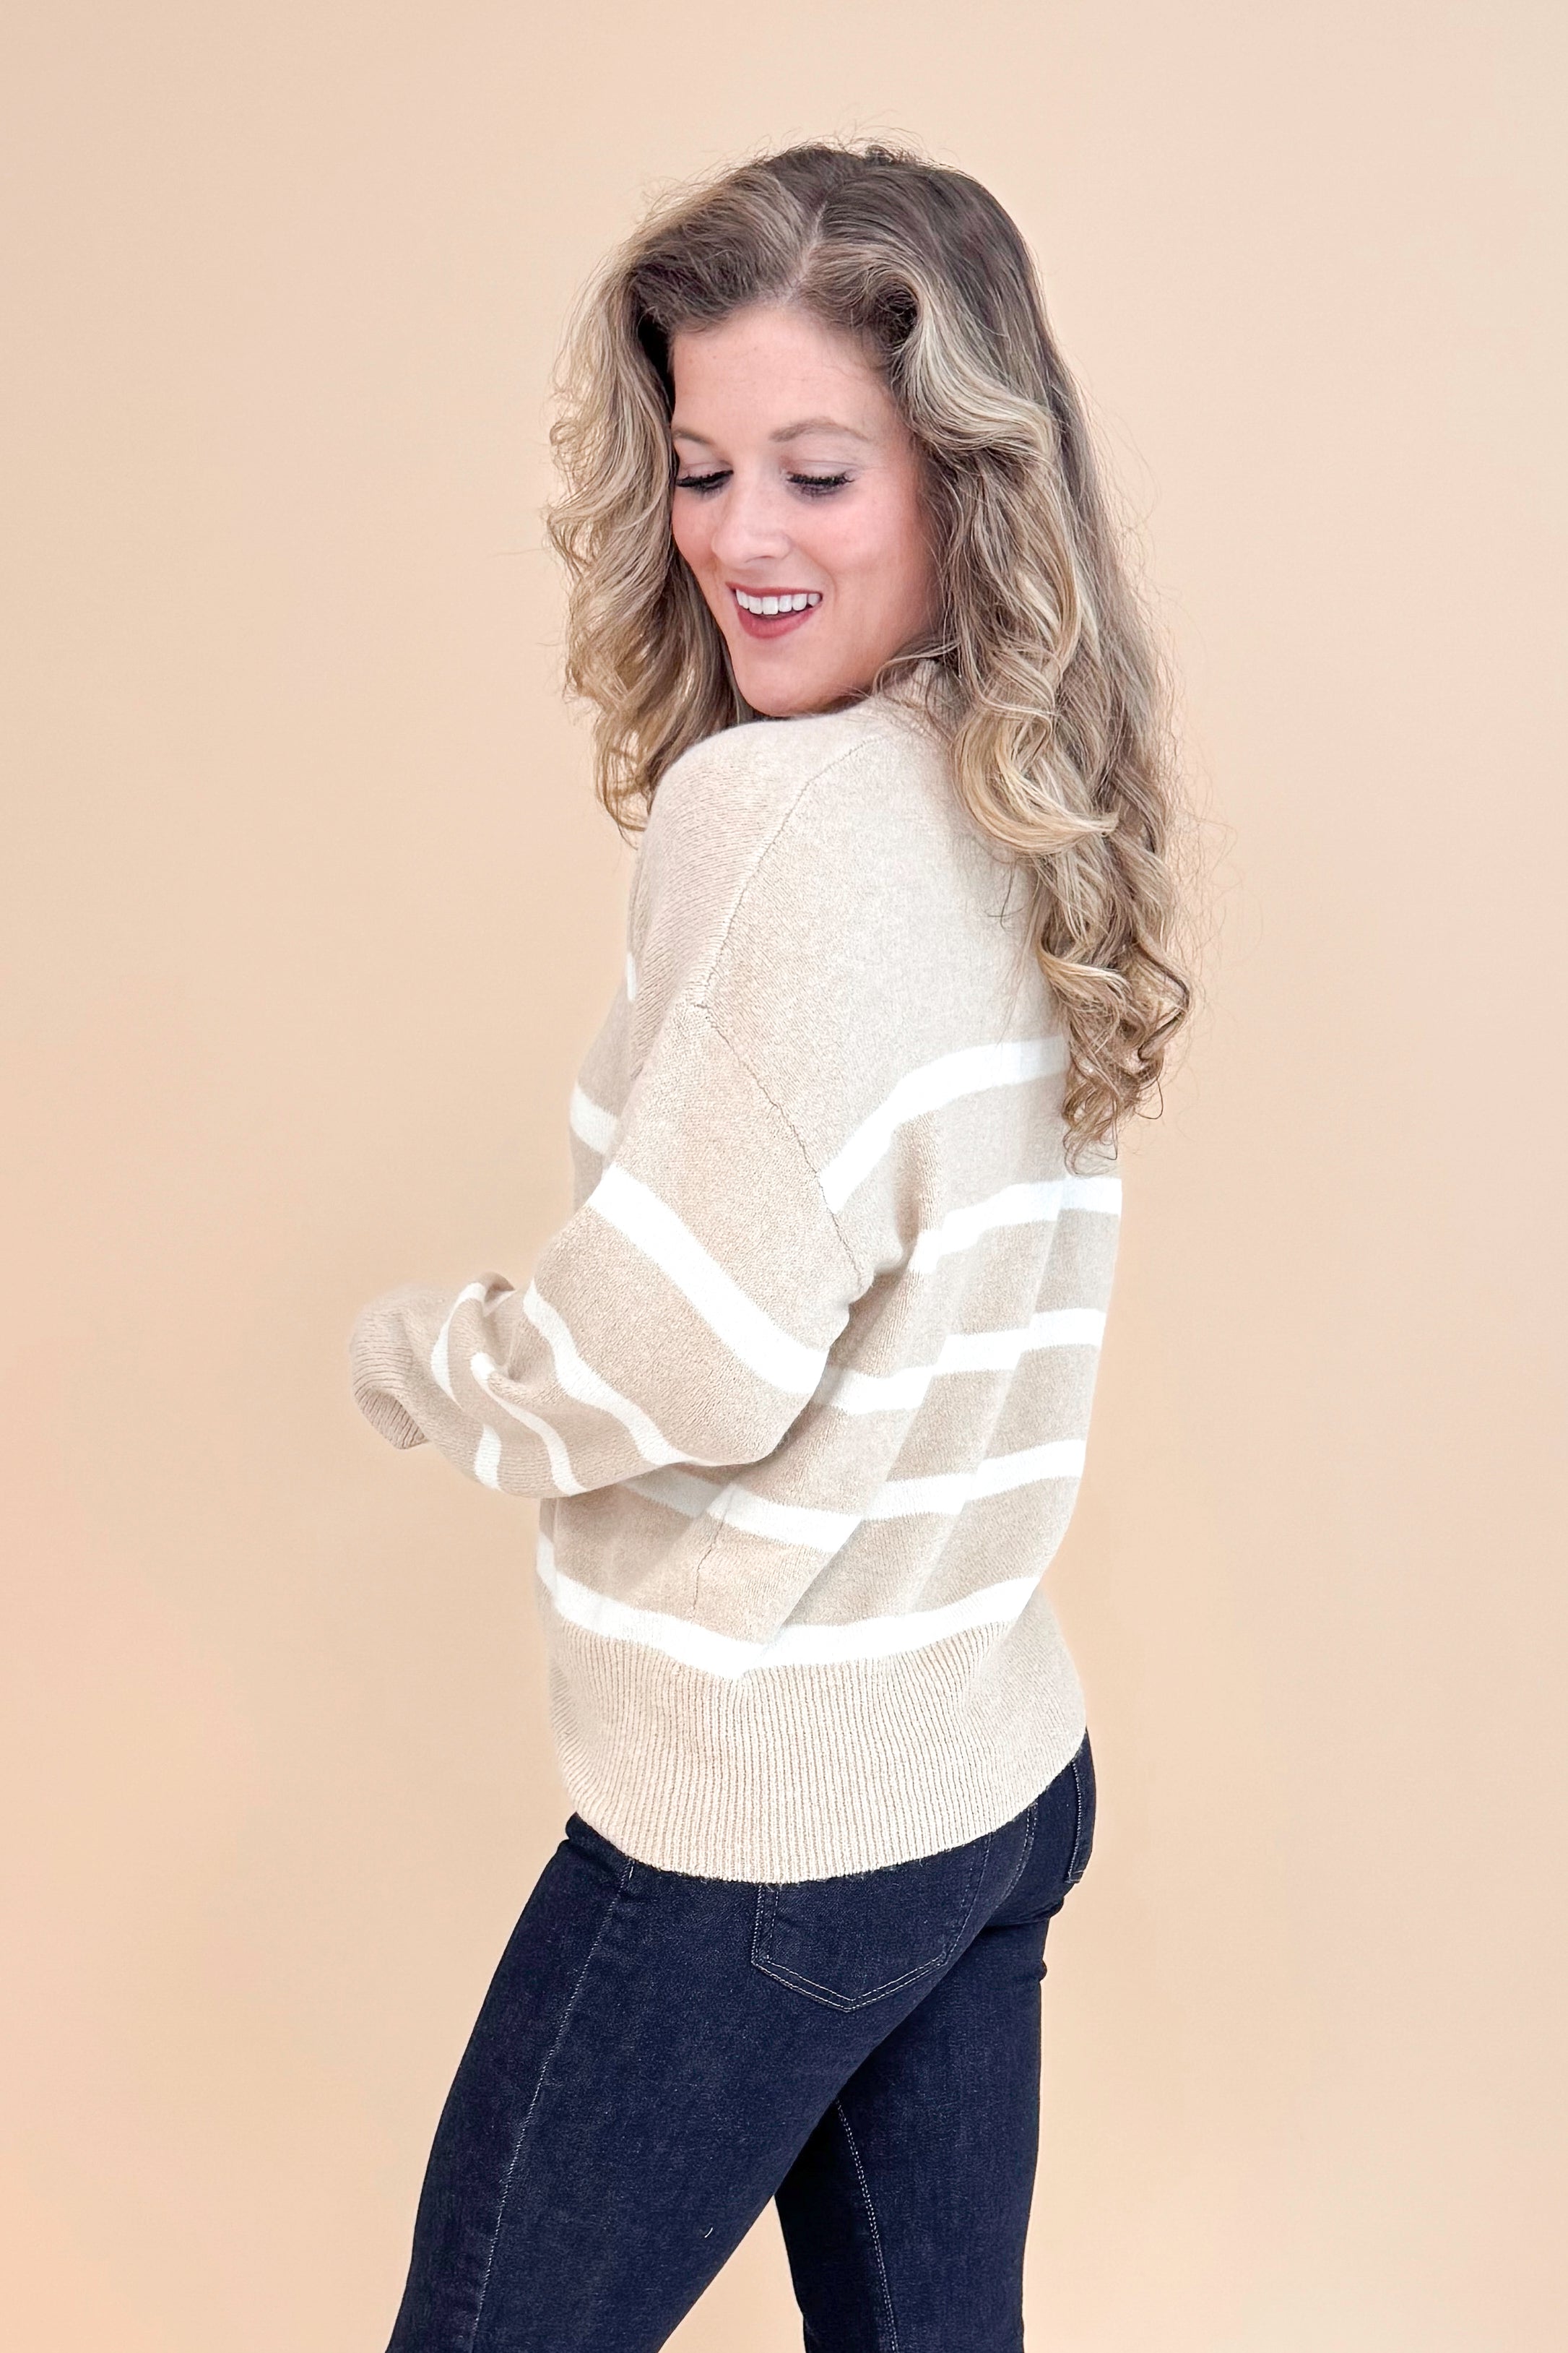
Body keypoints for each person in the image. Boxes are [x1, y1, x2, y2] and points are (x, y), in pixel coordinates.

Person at [349, 139, 1190, 2353]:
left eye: (816, 471)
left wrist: (438, 1357)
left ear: (961, 473)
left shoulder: (786, 818)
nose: (737, 535)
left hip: (769, 1818)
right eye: (703, 465)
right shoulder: (1023, 792)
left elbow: (685, 1356)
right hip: (984, 1771)